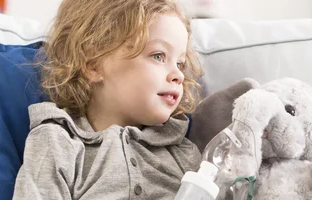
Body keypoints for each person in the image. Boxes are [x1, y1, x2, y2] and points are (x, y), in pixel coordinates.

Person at [13, 0, 204, 199]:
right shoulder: (58, 142)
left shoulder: (182, 153)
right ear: (93, 64)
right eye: (158, 56)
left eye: (180, 64)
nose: (178, 76)